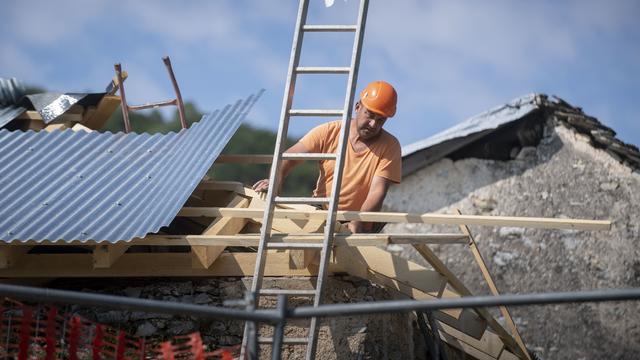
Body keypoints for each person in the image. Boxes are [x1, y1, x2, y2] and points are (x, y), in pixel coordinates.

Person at [253, 81, 401, 233]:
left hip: (358, 219)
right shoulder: (330, 132)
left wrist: (359, 221)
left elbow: (377, 191)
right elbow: (288, 158)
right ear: (357, 107)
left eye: (380, 120)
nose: (373, 124)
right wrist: (275, 182)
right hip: (321, 209)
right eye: (370, 115)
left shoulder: (390, 146)